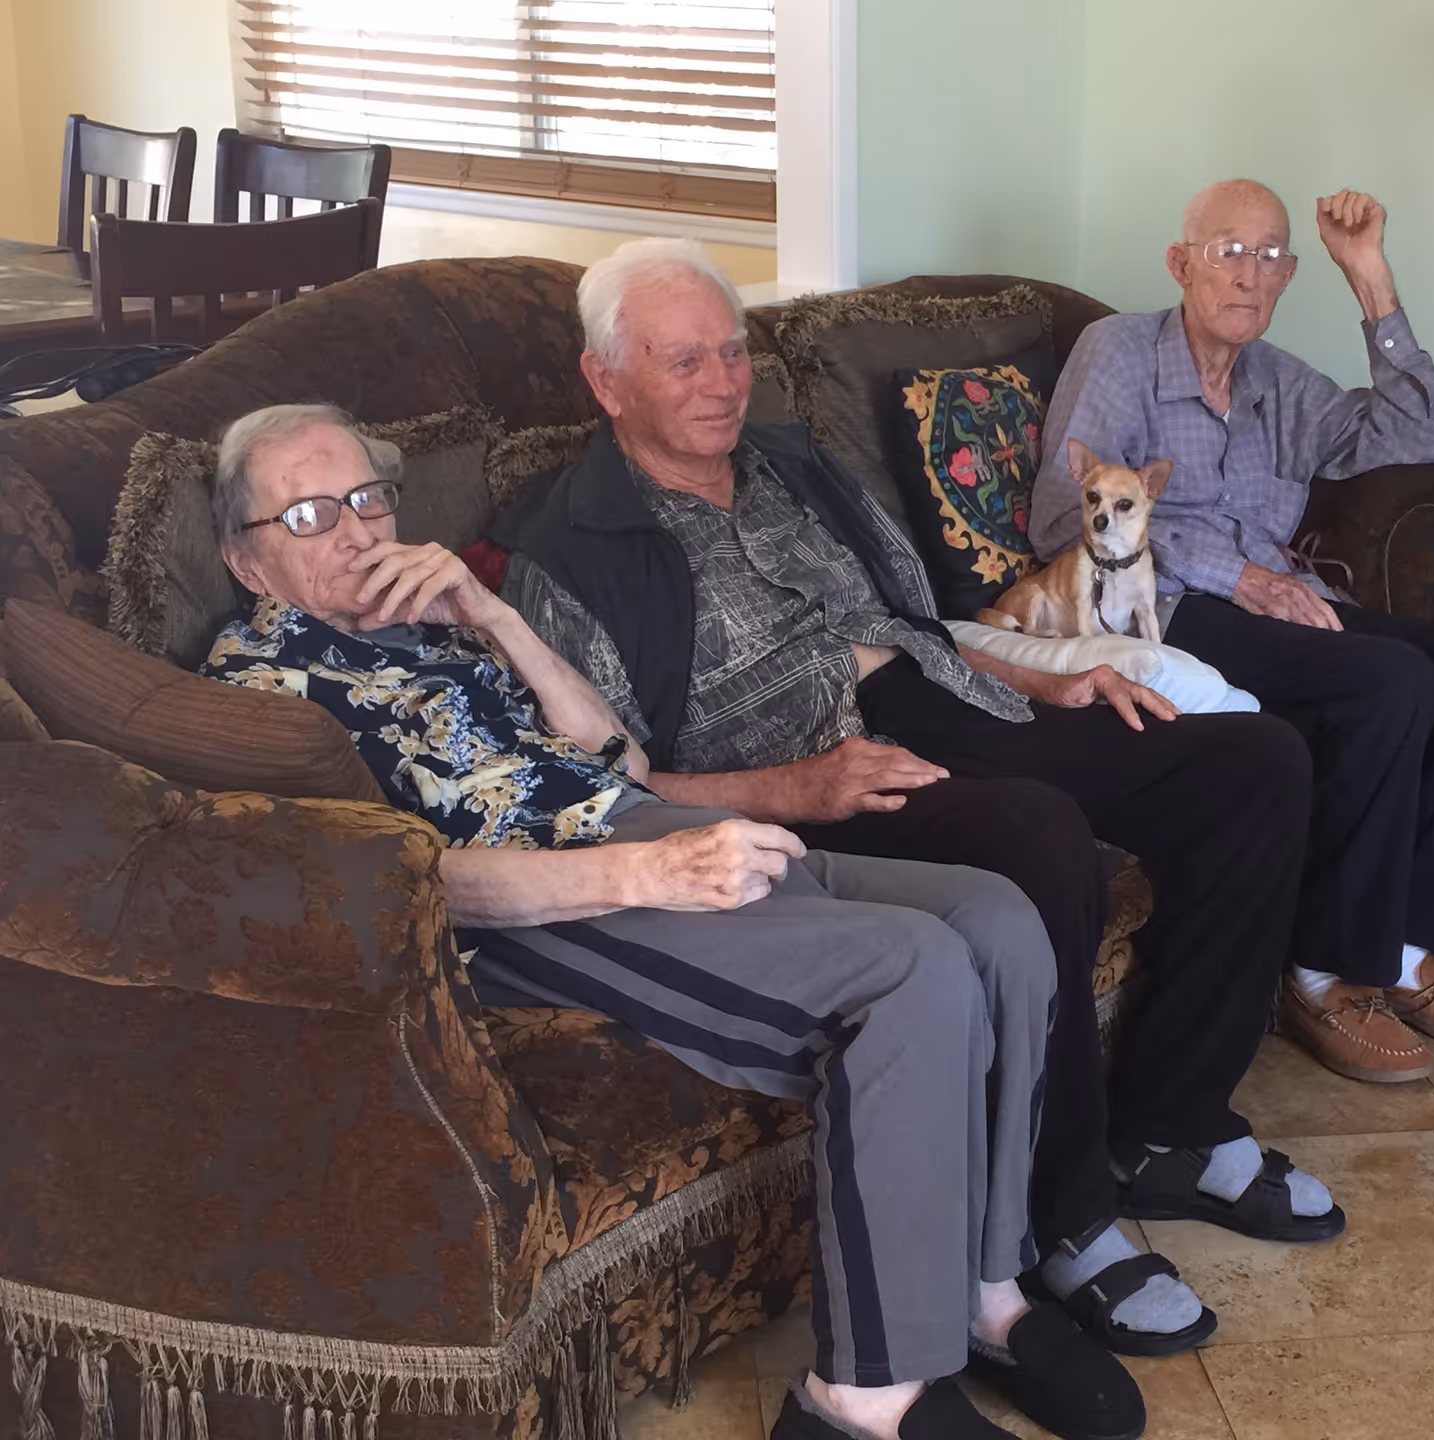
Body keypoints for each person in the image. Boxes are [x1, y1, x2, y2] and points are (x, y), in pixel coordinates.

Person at [199, 403, 1145, 1440]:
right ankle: (862, 1399)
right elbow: (399, 882)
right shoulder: (260, 695)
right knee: (911, 968)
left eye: (367, 499)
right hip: (549, 905)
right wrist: (643, 870)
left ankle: (984, 1291)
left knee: (997, 919)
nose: (354, 531)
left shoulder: (435, 630)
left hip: (644, 829)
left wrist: (492, 615)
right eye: (307, 514)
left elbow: (623, 761)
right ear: (247, 562)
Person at [493, 239, 1339, 1361]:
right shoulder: (568, 552)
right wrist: (794, 788)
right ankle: (1062, 1218)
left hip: (944, 702)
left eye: (733, 352)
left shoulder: (793, 462)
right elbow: (604, 789)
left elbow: (915, 627)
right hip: (810, 781)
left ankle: (1171, 1130)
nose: (724, 383)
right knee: (1034, 835)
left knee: (1254, 761)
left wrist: (1050, 678)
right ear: (606, 381)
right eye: (683, 361)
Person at [1031, 179, 1434, 1086]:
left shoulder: (1279, 381)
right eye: (1228, 251)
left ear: (1288, 275)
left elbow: (1417, 437)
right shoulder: (1119, 352)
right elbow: (1066, 516)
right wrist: (1241, 577)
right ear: (1181, 263)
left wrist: (1370, 275)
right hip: (1172, 610)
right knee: (1387, 681)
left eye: (1269, 257)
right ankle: (1320, 970)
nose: (1248, 274)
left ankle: (1411, 950)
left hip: (1281, 601)